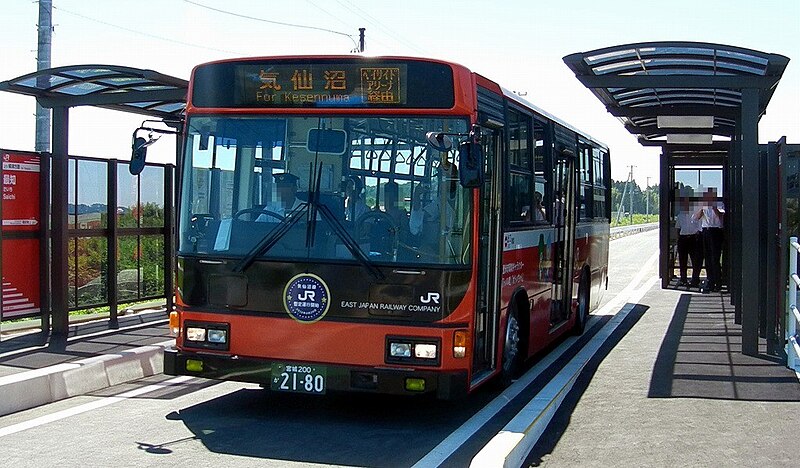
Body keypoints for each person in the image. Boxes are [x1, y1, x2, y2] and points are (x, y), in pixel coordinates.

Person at [695, 188, 725, 293]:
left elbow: (721, 216)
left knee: (715, 258)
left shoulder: (719, 203)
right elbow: (697, 218)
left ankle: (718, 282)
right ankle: (710, 281)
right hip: (705, 231)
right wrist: (702, 209)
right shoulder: (703, 205)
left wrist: (713, 207)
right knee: (707, 258)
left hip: (715, 231)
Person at [675, 196, 703, 287]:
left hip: (693, 238)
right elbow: (678, 229)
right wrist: (678, 239)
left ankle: (695, 279)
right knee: (682, 260)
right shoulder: (680, 215)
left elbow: (699, 226)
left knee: (696, 260)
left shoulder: (694, 214)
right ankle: (683, 279)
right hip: (683, 239)